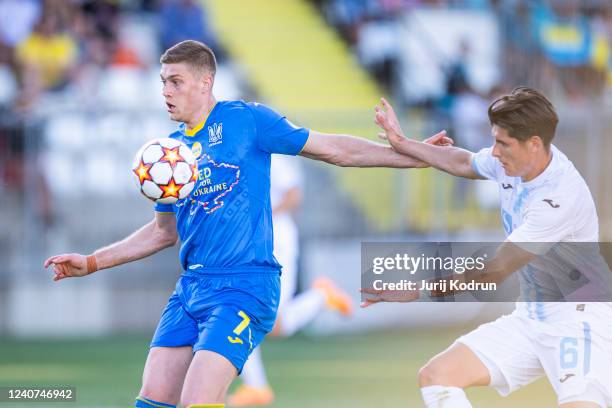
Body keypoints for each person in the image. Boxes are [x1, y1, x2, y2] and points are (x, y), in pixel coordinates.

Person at [43, 40, 451, 408]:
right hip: (192, 287)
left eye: (176, 82)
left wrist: (413, 152)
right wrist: (93, 261)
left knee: (197, 401)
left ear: (206, 83)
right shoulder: (168, 155)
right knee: (152, 400)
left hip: (244, 284)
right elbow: (162, 232)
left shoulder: (247, 121)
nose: (166, 91)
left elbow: (335, 150)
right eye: (163, 82)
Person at [362, 87, 612, 408]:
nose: (494, 152)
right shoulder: (515, 163)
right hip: (531, 316)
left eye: (502, 144)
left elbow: (496, 270)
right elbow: (466, 162)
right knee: (438, 376)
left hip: (579, 321)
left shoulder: (559, 198)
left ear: (533, 144)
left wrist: (417, 290)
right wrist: (403, 143)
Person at [227, 155, 353, 407]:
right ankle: (321, 297)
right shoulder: (232, 151)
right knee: (267, 323)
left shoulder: (271, 154)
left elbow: (294, 196)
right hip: (251, 245)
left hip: (276, 243)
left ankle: (257, 387)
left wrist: (258, 221)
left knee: (251, 317)